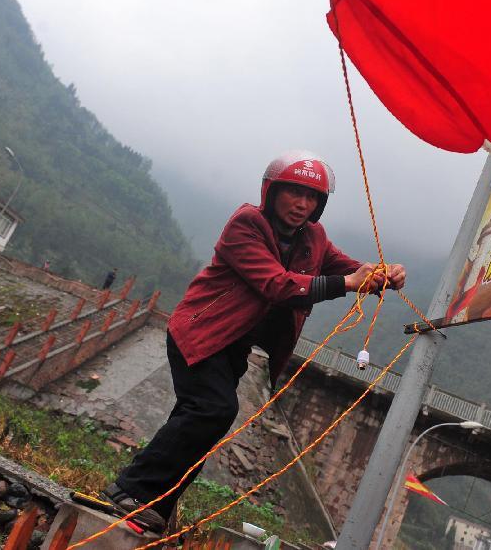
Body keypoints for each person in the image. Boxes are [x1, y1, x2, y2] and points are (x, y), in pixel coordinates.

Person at [102, 150, 406, 532]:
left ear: (320, 204)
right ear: (272, 191)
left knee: (207, 420)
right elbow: (277, 285)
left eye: (312, 197)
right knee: (211, 409)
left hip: (234, 346)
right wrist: (347, 283)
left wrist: (383, 273)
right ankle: (129, 491)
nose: (302, 204)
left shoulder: (313, 238)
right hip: (201, 333)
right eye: (294, 192)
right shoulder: (246, 224)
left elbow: (350, 268)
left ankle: (157, 507)